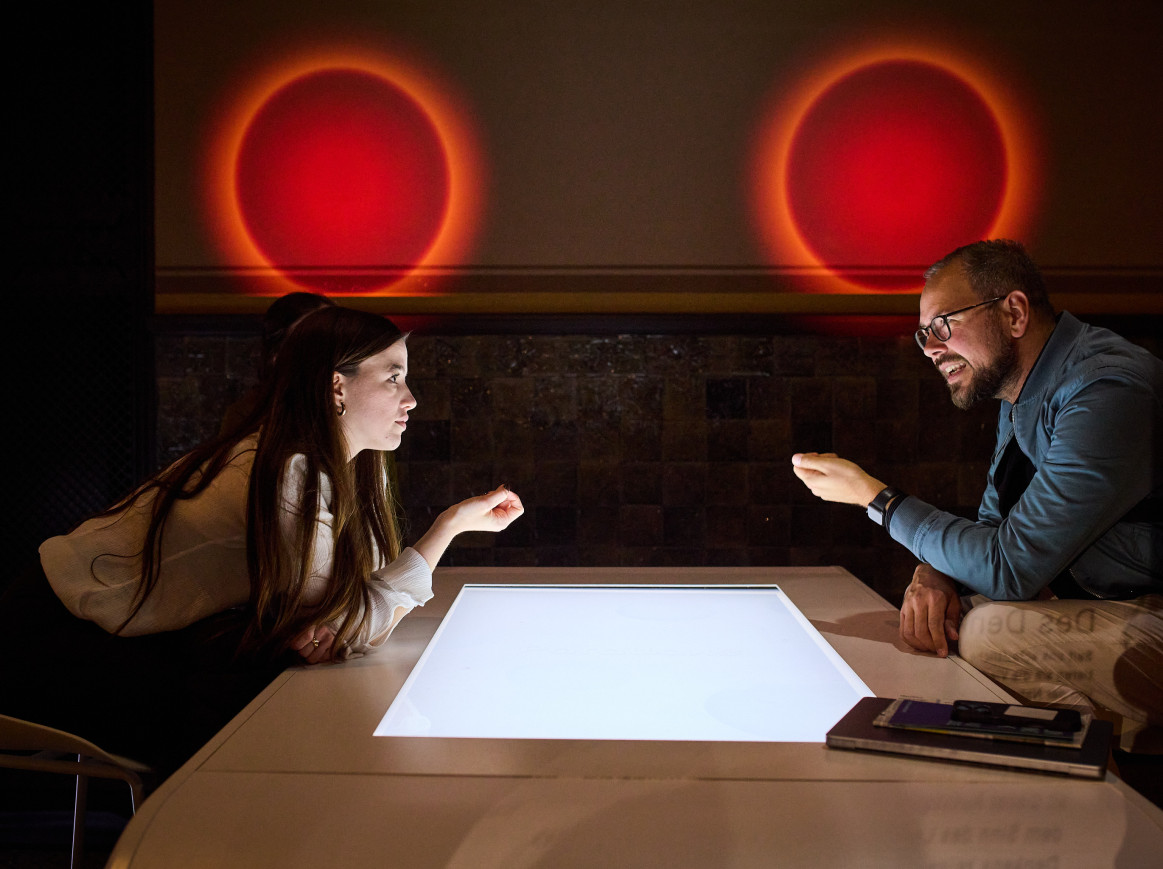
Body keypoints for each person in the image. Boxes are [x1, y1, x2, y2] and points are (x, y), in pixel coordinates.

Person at [1, 305, 524, 776]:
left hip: (118, 633)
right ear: (335, 388)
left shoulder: (340, 466)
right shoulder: (288, 471)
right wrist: (446, 530)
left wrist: (342, 617)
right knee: (257, 718)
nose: (410, 398)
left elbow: (346, 611)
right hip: (54, 637)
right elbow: (345, 623)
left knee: (273, 702)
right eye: (393, 378)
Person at [791, 239, 1162, 751]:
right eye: (923, 335)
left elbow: (1011, 567)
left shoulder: (1107, 389)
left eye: (943, 325)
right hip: (1112, 606)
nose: (931, 349)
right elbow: (993, 529)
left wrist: (876, 500)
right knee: (953, 625)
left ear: (1013, 313)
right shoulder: (1021, 393)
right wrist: (935, 571)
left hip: (1151, 612)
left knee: (991, 636)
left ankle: (1107, 808)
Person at [219, 290, 335, 434]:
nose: (326, 351)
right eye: (312, 340)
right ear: (277, 355)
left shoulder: (348, 404)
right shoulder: (247, 415)